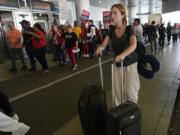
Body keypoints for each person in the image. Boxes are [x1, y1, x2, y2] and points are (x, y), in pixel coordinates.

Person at [96, 3, 140, 106]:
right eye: (111, 13)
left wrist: (122, 55)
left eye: (115, 13)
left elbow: (133, 45)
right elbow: (104, 44)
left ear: (123, 15)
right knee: (117, 93)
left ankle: (132, 114)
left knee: (131, 93)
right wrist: (100, 48)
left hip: (130, 64)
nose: (112, 16)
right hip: (117, 65)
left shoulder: (129, 29)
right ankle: (119, 116)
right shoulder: (111, 30)